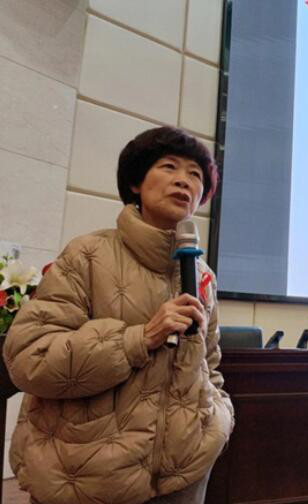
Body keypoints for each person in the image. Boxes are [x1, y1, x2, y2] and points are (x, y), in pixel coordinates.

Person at [3, 126, 234, 504]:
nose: (184, 181)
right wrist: (139, 338)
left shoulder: (202, 275)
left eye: (195, 175)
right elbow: (30, 357)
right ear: (135, 183)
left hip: (185, 475)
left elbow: (211, 366)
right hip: (89, 476)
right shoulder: (87, 254)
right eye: (169, 167)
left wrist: (217, 419)